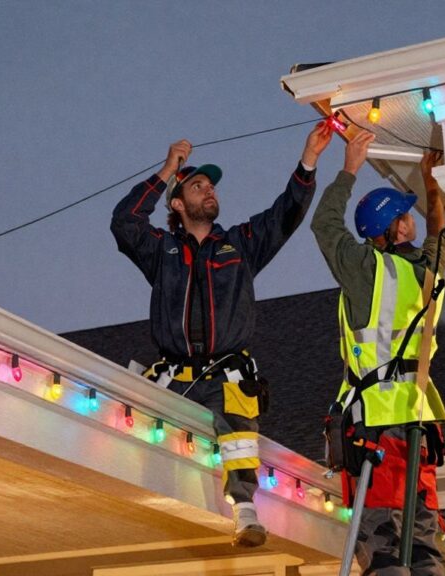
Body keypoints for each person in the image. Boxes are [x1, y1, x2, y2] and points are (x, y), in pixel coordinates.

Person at [110, 122, 333, 547]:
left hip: (226, 377)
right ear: (177, 203)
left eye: (211, 186)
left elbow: (285, 213)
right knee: (131, 438)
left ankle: (245, 511)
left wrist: (309, 160)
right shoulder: (162, 251)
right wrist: (165, 171)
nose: (209, 191)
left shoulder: (239, 245)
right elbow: (124, 222)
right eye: (197, 186)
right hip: (172, 379)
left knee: (237, 428)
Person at [310, 128, 445, 575]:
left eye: (409, 216)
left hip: (375, 421)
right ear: (386, 228)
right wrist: (430, 183)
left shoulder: (366, 268)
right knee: (421, 536)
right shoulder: (427, 272)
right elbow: (438, 231)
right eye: (401, 217)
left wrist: (349, 167)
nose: (409, 222)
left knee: (382, 541)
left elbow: (324, 225)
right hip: (418, 420)